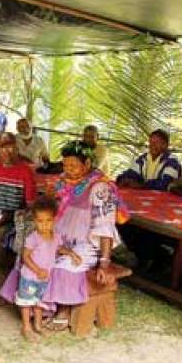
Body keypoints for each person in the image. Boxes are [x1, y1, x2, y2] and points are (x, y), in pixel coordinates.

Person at [42, 140, 128, 331]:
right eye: (65, 164)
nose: (68, 169)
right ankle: (42, 306)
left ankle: (62, 310)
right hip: (63, 236)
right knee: (37, 255)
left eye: (73, 165)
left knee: (65, 265)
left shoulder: (100, 188)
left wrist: (104, 264)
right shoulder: (65, 182)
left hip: (88, 244)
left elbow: (105, 228)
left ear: (87, 164)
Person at [0, 132, 36, 293]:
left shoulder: (25, 171)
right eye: (1, 147)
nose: (6, 151)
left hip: (12, 218)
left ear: (16, 148)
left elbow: (29, 205)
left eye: (9, 146)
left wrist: (8, 217)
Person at [16, 197, 79, 341]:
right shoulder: (33, 238)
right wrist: (37, 270)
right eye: (40, 221)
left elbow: (59, 248)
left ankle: (38, 325)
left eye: (48, 221)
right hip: (30, 277)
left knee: (39, 302)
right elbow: (25, 257)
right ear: (34, 221)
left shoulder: (56, 236)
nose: (44, 225)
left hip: (44, 278)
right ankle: (26, 327)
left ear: (55, 219)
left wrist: (71, 253)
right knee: (26, 302)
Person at [117, 129, 182, 191]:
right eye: (151, 142)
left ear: (165, 145)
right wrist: (123, 179)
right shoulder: (143, 159)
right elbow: (131, 173)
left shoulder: (172, 161)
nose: (152, 145)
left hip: (166, 200)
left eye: (157, 142)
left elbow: (165, 184)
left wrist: (141, 185)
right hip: (146, 196)